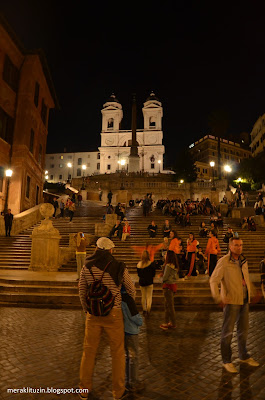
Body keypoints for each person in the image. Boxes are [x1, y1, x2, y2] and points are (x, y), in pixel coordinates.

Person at [79, 237, 135, 400]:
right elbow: (131, 289)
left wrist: (86, 309)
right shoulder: (118, 266)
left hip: (93, 313)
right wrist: (122, 303)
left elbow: (82, 290)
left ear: (97, 249)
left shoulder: (87, 266)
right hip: (114, 313)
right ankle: (118, 391)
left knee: (89, 351)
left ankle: (84, 389)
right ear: (110, 250)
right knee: (117, 352)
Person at [209, 237, 259, 374]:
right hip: (231, 301)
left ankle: (243, 355)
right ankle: (227, 360)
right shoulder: (224, 262)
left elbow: (245, 279)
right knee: (227, 332)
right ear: (230, 246)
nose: (239, 247)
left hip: (244, 300)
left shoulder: (243, 260)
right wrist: (217, 297)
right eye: (236, 245)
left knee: (243, 331)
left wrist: (252, 292)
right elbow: (213, 280)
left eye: (241, 245)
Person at [121, 285, 144, 392]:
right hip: (131, 331)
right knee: (134, 357)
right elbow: (136, 319)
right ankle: (133, 382)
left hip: (122, 331)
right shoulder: (129, 300)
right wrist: (141, 321)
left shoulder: (118, 299)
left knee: (126, 357)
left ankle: (127, 380)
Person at [159, 250, 179, 330]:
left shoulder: (168, 266)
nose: (165, 255)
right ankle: (167, 322)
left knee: (169, 306)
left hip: (167, 286)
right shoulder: (174, 266)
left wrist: (162, 278)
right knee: (168, 305)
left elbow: (165, 277)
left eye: (166, 254)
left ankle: (172, 323)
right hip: (173, 285)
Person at [137, 250, 157, 315]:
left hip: (142, 282)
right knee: (149, 296)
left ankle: (144, 309)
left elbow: (138, 274)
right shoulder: (151, 264)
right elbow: (153, 273)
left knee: (143, 296)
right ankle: (148, 309)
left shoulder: (139, 264)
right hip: (149, 281)